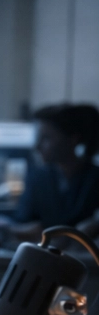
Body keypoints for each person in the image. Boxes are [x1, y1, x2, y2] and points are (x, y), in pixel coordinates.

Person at [11, 103, 99, 241]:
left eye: (46, 138)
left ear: (73, 139)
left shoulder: (94, 179)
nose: (37, 146)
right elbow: (23, 221)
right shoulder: (38, 178)